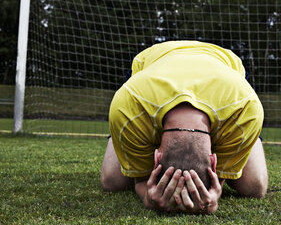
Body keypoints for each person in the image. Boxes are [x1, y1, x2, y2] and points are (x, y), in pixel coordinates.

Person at [100, 41, 268, 214]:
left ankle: (246, 138)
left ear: (157, 157)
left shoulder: (246, 108)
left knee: (253, 188)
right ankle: (121, 133)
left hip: (227, 70)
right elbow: (140, 181)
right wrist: (147, 197)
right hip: (151, 65)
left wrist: (214, 195)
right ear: (213, 160)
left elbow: (142, 183)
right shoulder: (127, 105)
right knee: (113, 182)